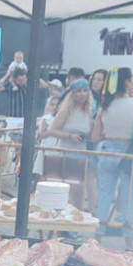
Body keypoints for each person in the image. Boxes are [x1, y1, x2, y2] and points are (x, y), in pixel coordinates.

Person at [91, 67, 133, 249]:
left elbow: (94, 137)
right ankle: (129, 245)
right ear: (126, 82)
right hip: (127, 154)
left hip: (106, 151)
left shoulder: (105, 105)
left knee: (105, 198)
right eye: (132, 79)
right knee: (128, 200)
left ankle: (97, 241)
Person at [46, 78, 93, 208]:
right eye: (79, 91)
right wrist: (69, 136)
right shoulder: (66, 111)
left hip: (81, 154)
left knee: (79, 190)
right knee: (67, 190)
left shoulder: (88, 112)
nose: (82, 94)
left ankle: (75, 217)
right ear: (73, 94)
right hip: (65, 153)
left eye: (85, 91)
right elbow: (52, 130)